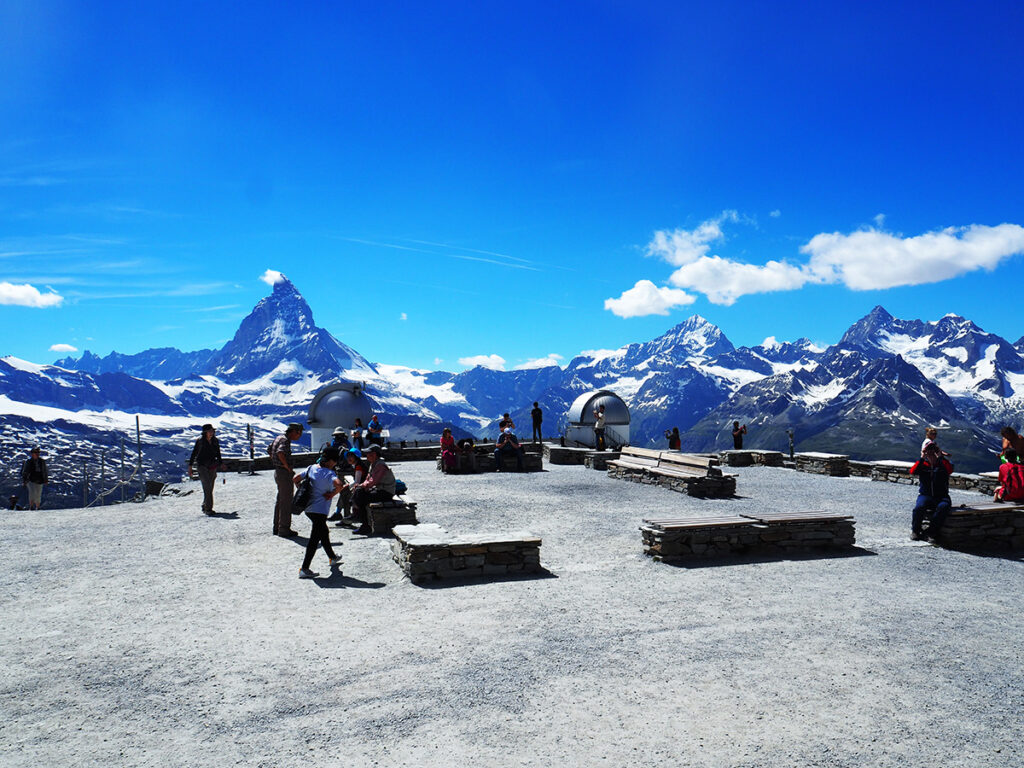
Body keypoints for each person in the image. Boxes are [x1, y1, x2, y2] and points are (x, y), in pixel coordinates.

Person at [296, 446, 344, 579]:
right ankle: (304, 568)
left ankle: (332, 557)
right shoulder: (330, 474)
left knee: (323, 532)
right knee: (314, 539)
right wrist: (332, 494)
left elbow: (296, 478)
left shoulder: (311, 468)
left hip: (308, 508)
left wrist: (302, 490)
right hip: (320, 510)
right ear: (331, 461)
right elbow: (339, 485)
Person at [909, 442, 954, 541]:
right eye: (929, 453)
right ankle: (915, 531)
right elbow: (912, 471)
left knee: (944, 507)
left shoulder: (942, 464)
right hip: (925, 495)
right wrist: (922, 458)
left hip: (942, 496)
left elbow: (949, 470)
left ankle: (931, 532)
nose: (931, 455)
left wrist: (941, 457)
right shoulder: (922, 464)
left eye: (933, 452)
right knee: (919, 508)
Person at [351, 444, 396, 535]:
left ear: (374, 454)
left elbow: (373, 481)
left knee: (361, 498)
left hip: (386, 492)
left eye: (368, 454)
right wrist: (361, 485)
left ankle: (362, 522)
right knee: (359, 492)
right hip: (380, 490)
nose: (367, 456)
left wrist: (362, 486)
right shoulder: (373, 464)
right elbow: (368, 479)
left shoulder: (380, 465)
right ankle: (358, 516)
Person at [271, 423, 304, 537]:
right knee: (286, 502)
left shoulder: (279, 437)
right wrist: (287, 467)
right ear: (294, 431)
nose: (299, 436)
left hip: (278, 472)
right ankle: (284, 529)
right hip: (284, 473)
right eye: (299, 433)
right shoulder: (285, 440)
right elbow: (280, 453)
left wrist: (276, 463)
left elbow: (270, 449)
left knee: (280, 500)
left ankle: (277, 527)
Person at [187, 424, 222, 515]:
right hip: (202, 466)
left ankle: (205, 504)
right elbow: (194, 453)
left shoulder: (215, 441)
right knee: (207, 487)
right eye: (210, 431)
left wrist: (221, 463)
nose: (212, 433)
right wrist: (190, 466)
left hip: (212, 466)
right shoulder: (200, 441)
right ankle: (208, 509)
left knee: (210, 487)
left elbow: (218, 453)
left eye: (212, 431)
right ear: (205, 432)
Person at [335, 449, 368, 527]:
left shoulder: (358, 466)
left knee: (345, 493)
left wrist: (347, 486)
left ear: (356, 457)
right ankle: (345, 517)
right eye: (348, 456)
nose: (349, 458)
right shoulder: (358, 465)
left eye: (351, 456)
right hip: (361, 487)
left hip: (362, 489)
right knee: (344, 492)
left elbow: (357, 481)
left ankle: (347, 518)